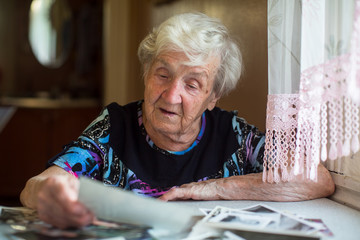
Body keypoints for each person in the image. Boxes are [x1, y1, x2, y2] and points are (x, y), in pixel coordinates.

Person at [20, 12, 335, 229]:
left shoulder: (234, 136)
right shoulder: (114, 127)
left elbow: (316, 178)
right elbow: (39, 185)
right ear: (146, 74)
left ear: (213, 97)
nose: (171, 96)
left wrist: (211, 189)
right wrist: (50, 195)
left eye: (193, 84)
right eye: (163, 74)